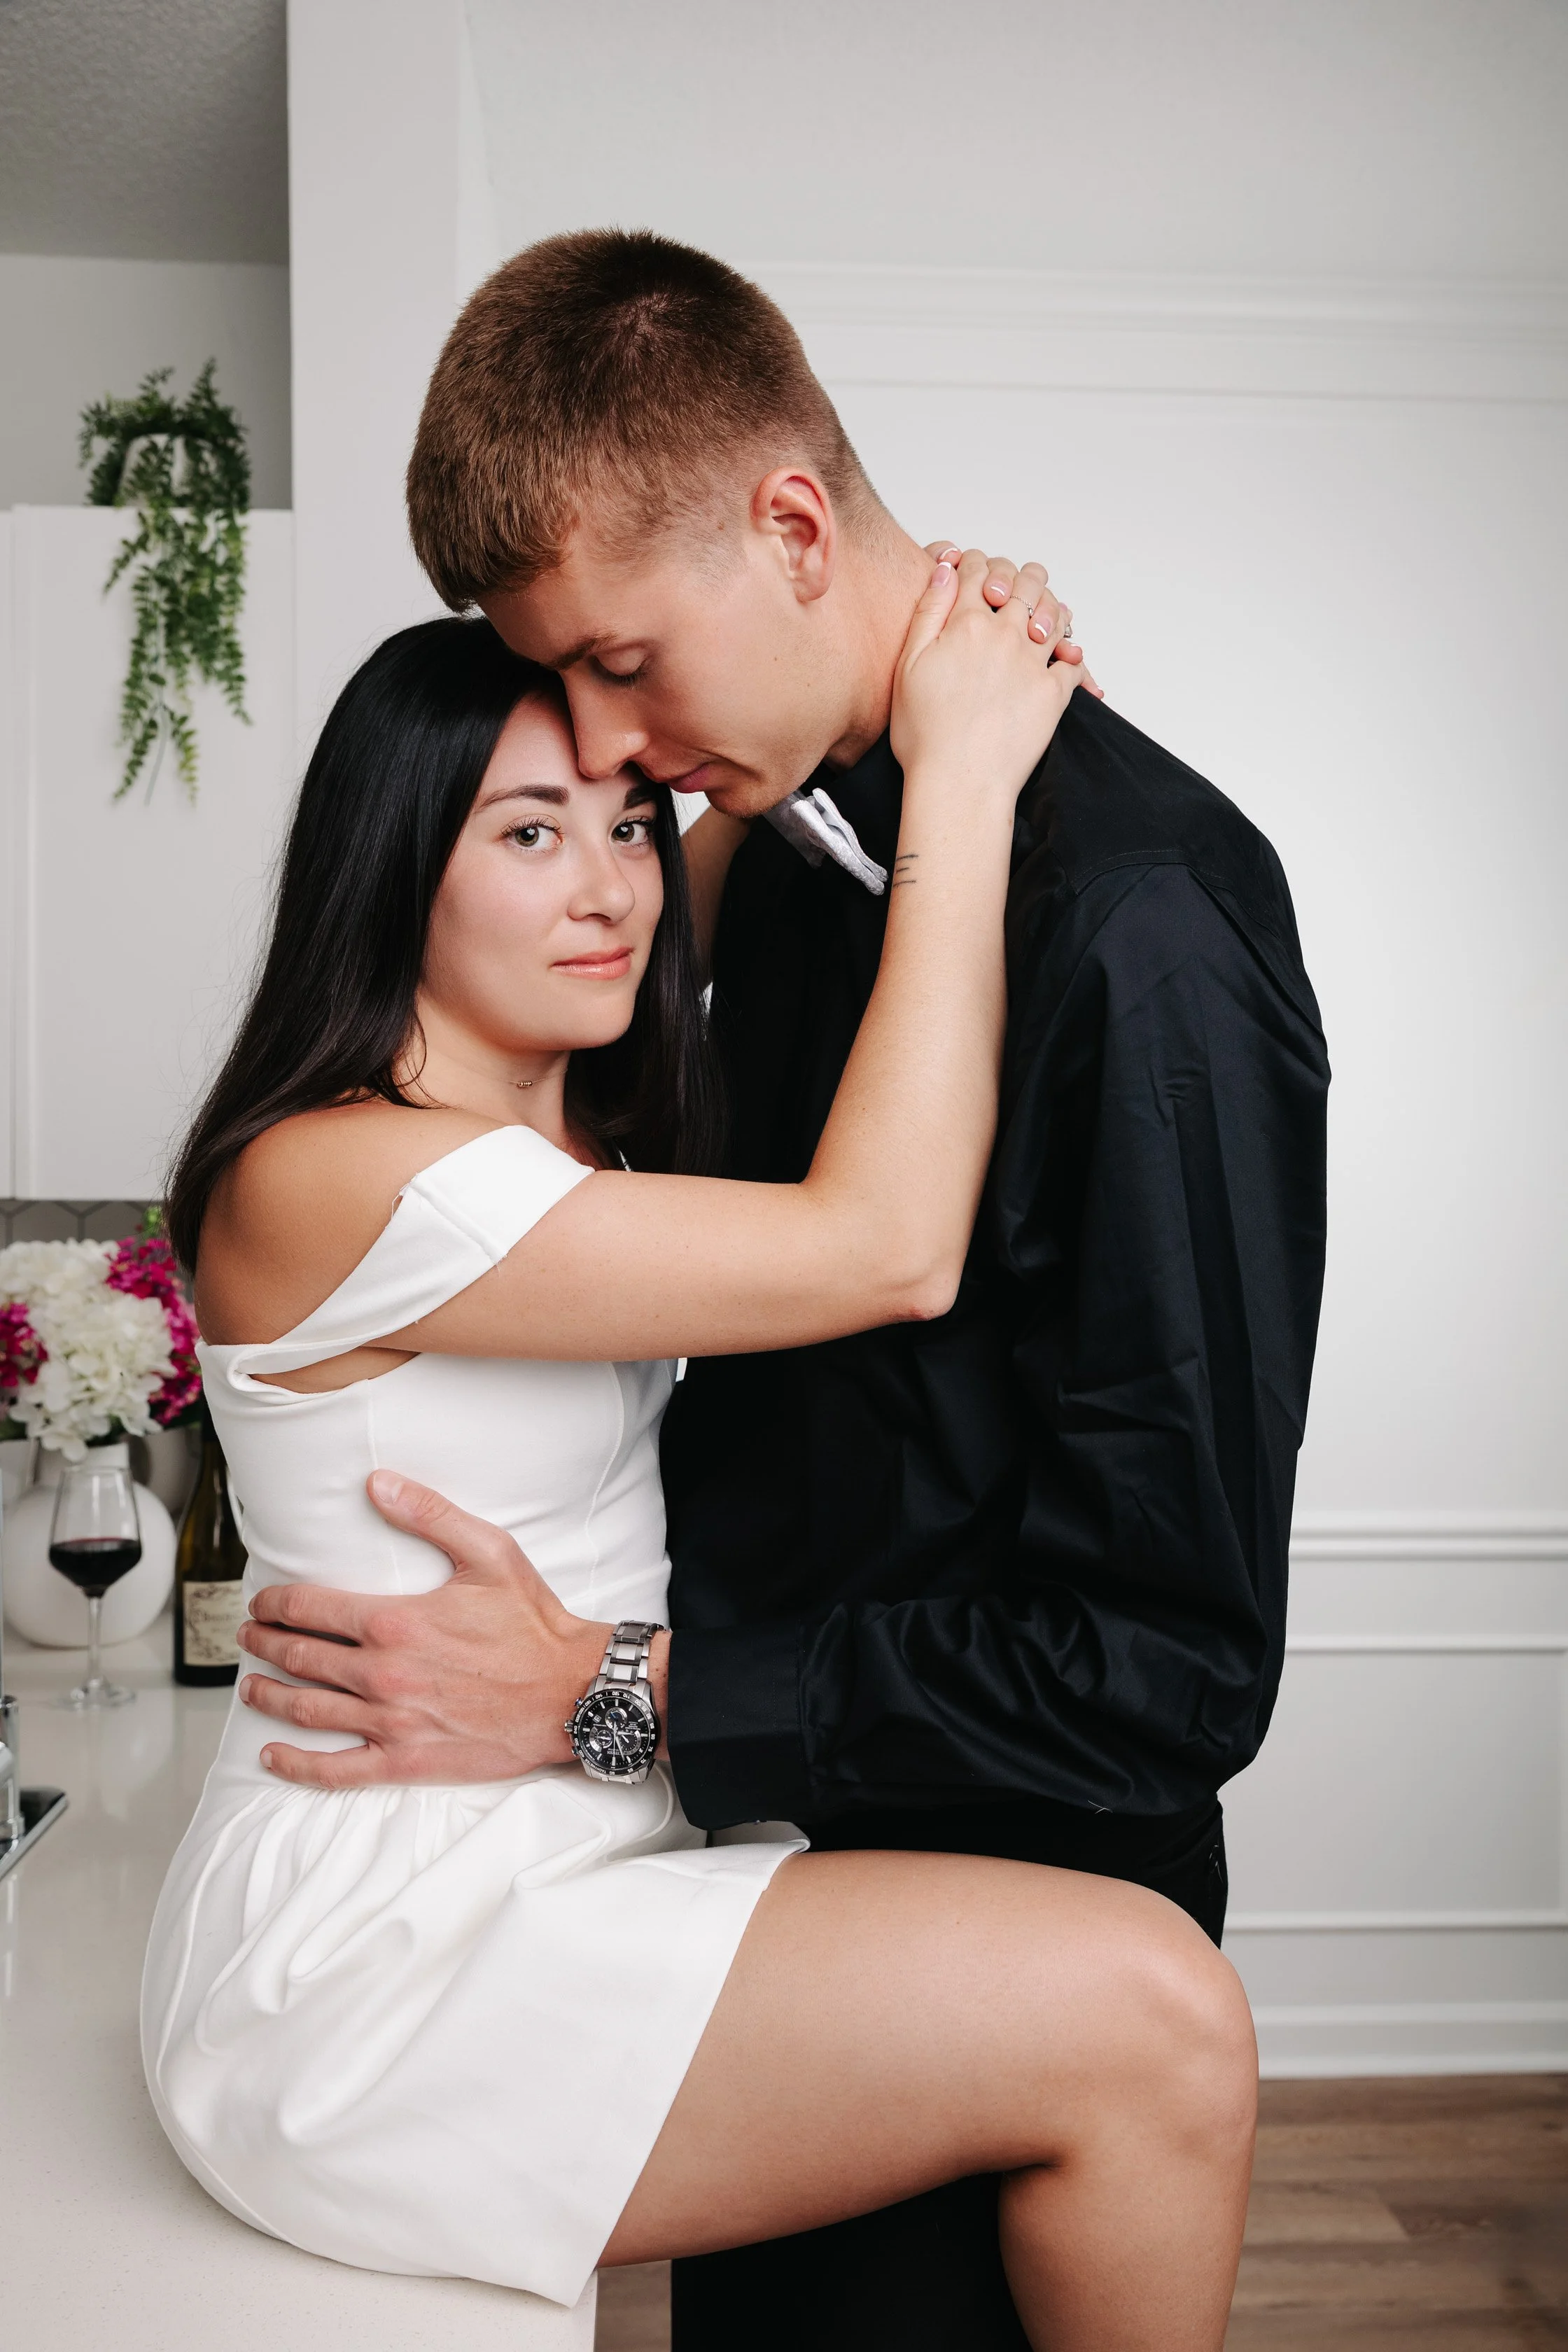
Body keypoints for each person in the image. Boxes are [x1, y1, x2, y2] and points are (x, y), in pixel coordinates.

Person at [225, 230, 1329, 2345]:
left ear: (795, 529)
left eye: (624, 663)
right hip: (735, 1868)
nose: (612, 754)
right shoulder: (758, 844)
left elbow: (1165, 1667)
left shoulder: (1143, 922)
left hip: (1006, 1879)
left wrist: (620, 1698)